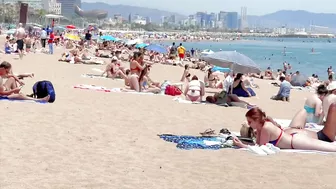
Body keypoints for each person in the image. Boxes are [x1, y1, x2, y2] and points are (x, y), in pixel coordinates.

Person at [234, 107, 336, 152]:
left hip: (297, 140)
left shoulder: (265, 128)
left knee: (332, 148)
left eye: (250, 122)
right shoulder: (262, 127)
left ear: (257, 120)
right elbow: (258, 145)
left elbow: (261, 149)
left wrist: (242, 145)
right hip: (295, 139)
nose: (249, 124)